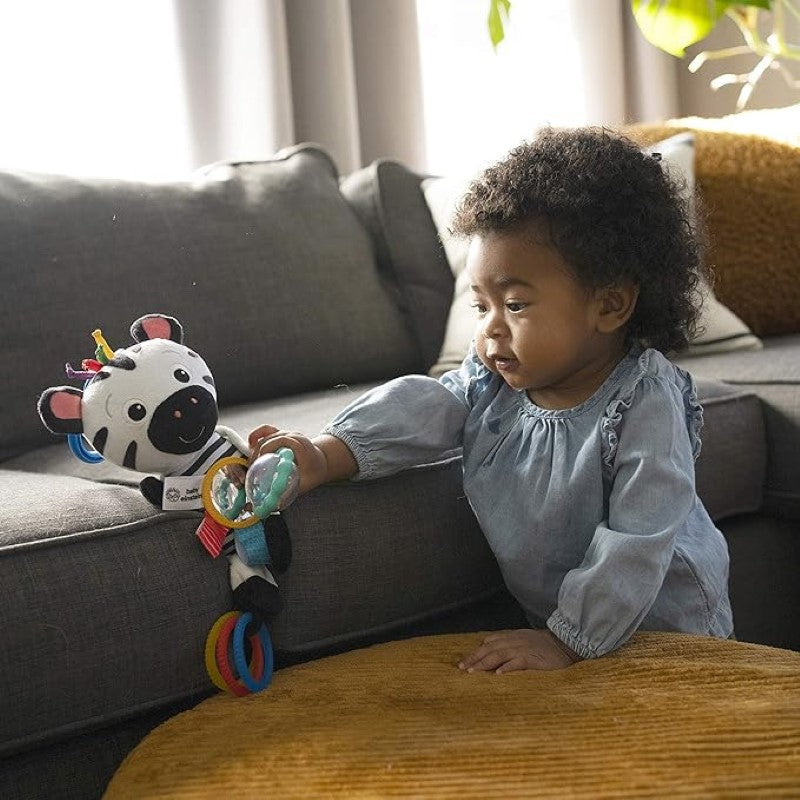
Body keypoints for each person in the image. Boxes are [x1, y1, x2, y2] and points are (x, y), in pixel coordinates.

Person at [249, 127, 733, 673]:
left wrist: (567, 640)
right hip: (562, 627)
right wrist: (325, 454)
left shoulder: (644, 402)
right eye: (481, 307)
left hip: (668, 628)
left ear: (611, 305)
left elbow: (637, 540)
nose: (491, 331)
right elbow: (427, 406)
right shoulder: (494, 383)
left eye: (517, 304)